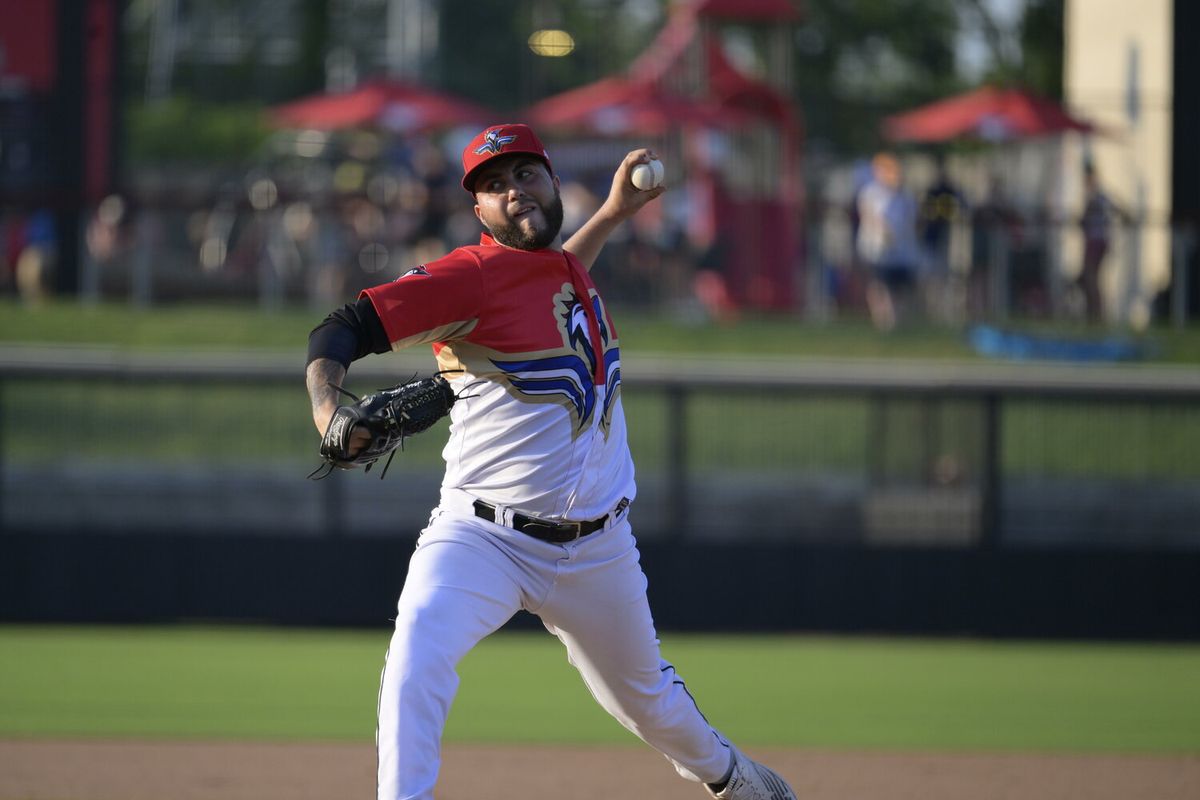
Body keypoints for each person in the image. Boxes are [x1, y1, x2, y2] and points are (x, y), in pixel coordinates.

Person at [304, 124, 798, 800]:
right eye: (494, 185)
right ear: (478, 210)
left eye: (526, 175)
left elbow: (551, 271)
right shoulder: (471, 276)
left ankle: (738, 781)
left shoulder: (560, 267)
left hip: (598, 548)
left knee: (650, 703)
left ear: (552, 181)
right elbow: (339, 328)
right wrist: (328, 413)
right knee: (418, 652)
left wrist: (613, 215)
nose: (515, 191)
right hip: (483, 537)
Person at [855, 152, 921, 331]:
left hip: (901, 251)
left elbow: (911, 221)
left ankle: (898, 320)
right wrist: (884, 230)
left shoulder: (905, 196)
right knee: (878, 285)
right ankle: (883, 320)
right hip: (876, 249)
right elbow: (869, 214)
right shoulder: (871, 193)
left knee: (900, 287)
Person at [1078, 163, 1118, 323]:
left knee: (1092, 278)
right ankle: (1093, 313)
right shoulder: (1093, 196)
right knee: (1089, 279)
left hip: (1097, 242)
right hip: (1093, 241)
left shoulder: (1098, 196)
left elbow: (1118, 209)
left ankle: (1097, 314)